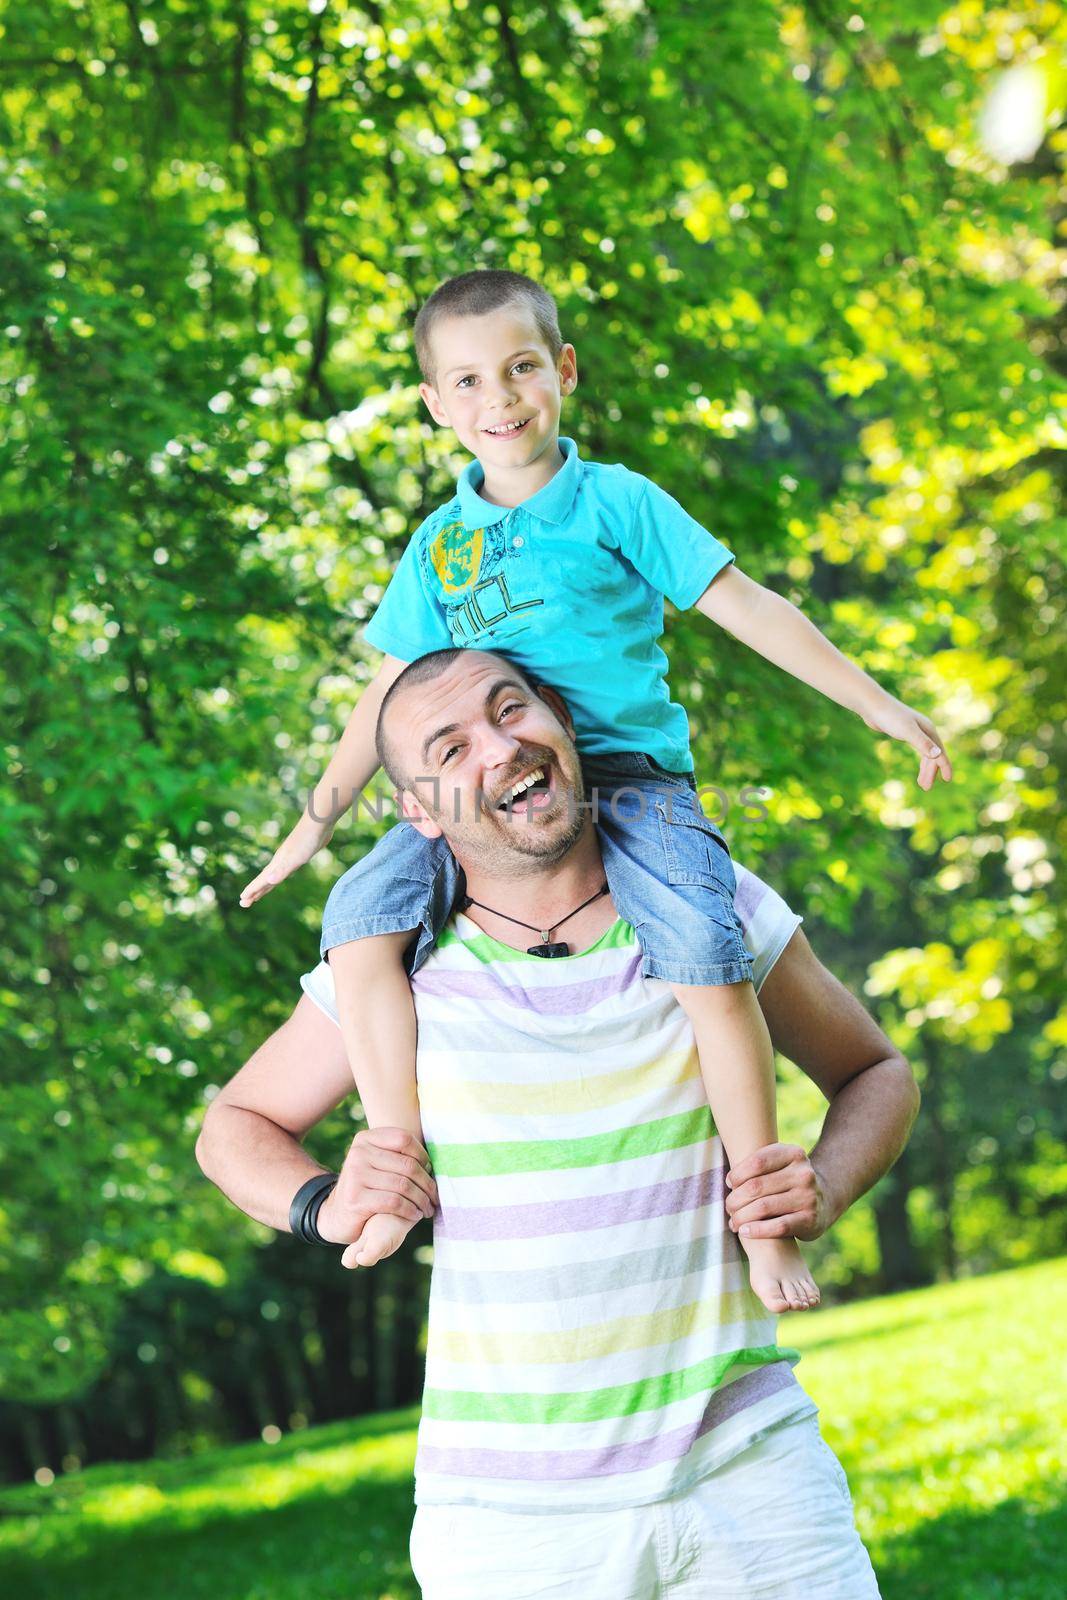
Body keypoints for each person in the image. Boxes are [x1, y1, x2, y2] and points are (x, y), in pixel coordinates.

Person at [238, 267, 950, 1313]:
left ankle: (761, 1220)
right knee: (357, 922)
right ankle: (394, 1161)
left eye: (522, 368)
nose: (502, 398)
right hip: (492, 798)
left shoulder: (615, 501)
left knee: (706, 953)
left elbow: (747, 607)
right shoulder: (439, 546)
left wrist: (878, 705)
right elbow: (382, 700)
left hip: (623, 782)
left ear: (562, 371)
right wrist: (313, 824)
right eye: (469, 381)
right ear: (438, 406)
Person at [200, 648, 919, 1597]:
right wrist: (323, 1206)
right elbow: (233, 1126)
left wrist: (820, 1185)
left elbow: (876, 1072)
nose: (499, 749)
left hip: (751, 1477)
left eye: (513, 711)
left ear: (566, 729)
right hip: (507, 1527)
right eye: (450, 747)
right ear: (416, 810)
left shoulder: (704, 909)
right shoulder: (393, 969)